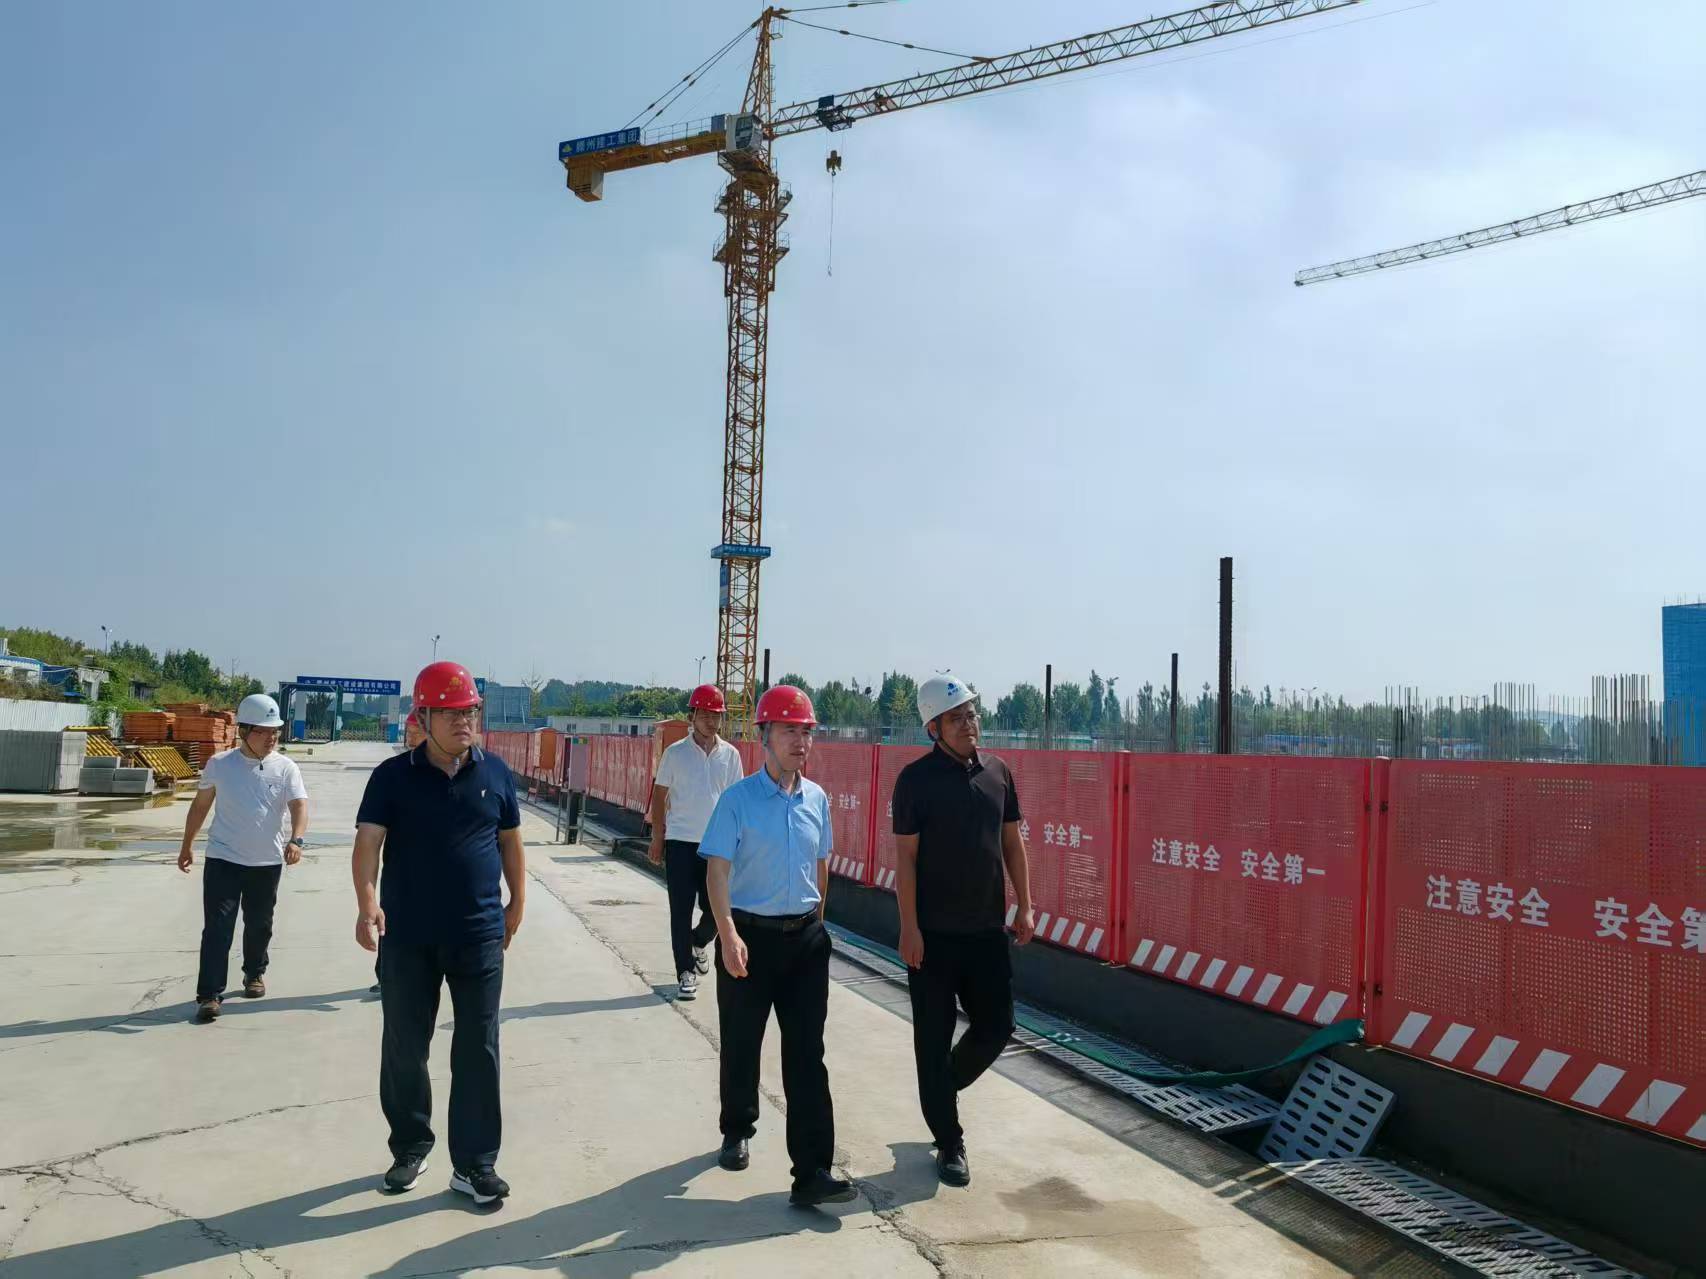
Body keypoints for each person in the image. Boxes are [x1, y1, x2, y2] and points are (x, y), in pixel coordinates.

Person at [352, 661, 525, 1205]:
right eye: (449, 713)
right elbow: (368, 843)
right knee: (405, 1044)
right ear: (423, 717)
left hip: (479, 934)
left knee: (479, 1046)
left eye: (469, 711)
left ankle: (475, 1164)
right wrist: (367, 903)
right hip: (408, 936)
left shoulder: (496, 774)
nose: (463, 721)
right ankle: (410, 1145)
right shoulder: (392, 777)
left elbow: (510, 841)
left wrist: (518, 901)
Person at [700, 685, 855, 1208]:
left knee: (807, 1054)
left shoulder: (818, 800)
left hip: (805, 942)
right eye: (789, 730)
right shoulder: (737, 801)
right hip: (749, 939)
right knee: (742, 1042)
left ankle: (812, 1171)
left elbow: (820, 868)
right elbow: (717, 871)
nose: (800, 741)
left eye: (806, 731)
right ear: (763, 735)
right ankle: (737, 1127)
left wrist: (818, 926)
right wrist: (727, 935)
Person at [892, 673, 1035, 1187]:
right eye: (956, 718)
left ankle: (941, 1087)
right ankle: (949, 1140)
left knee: (998, 1026)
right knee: (932, 1040)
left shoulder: (998, 773)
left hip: (986, 932)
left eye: (971, 714)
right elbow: (906, 860)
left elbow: (1012, 842)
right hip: (932, 937)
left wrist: (1025, 906)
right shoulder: (914, 781)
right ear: (933, 728)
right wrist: (909, 927)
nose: (968, 724)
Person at [177, 693, 308, 1023]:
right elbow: (201, 805)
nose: (272, 737)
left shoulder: (286, 767)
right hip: (223, 859)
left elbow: (299, 806)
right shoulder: (220, 765)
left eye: (275, 731)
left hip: (266, 862)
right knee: (218, 928)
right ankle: (209, 994)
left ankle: (254, 972)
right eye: (264, 731)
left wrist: (297, 839)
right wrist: (187, 844)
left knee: (260, 925)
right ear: (245, 731)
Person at [649, 685, 744, 1001]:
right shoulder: (675, 753)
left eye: (716, 716)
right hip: (680, 843)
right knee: (680, 910)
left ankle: (698, 942)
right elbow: (660, 795)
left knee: (717, 909)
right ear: (692, 716)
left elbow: (736, 801)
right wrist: (658, 837)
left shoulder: (730, 755)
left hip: (716, 846)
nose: (711, 722)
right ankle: (685, 972)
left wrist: (739, 842)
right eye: (705, 715)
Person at [371, 712, 428, 995]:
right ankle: (385, 975)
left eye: (416, 732)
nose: (411, 738)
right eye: (409, 732)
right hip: (400, 872)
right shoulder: (394, 773)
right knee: (390, 924)